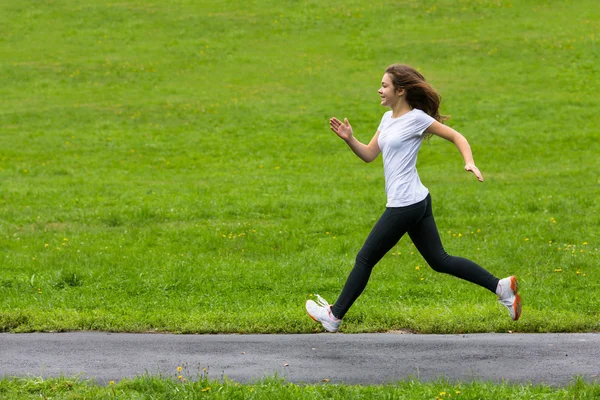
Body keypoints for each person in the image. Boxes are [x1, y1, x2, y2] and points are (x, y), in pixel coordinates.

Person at [306, 64, 521, 333]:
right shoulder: (387, 119)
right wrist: (349, 139)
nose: (379, 90)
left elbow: (456, 136)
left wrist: (469, 162)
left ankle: (334, 316)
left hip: (405, 204)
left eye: (384, 86)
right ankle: (501, 287)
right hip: (417, 200)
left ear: (401, 90)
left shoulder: (417, 118)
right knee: (439, 260)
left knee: (364, 259)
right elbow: (370, 154)